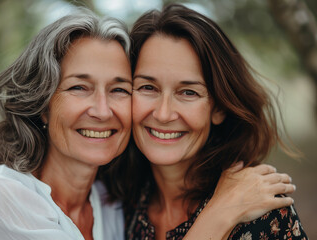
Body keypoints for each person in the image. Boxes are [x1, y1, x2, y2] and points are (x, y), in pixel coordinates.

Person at [0, 6, 298, 240]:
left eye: (119, 89)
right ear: (42, 103)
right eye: (79, 87)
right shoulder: (1, 196)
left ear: (219, 107)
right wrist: (220, 214)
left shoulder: (113, 200)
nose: (103, 111)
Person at [100, 3, 308, 240]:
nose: (163, 114)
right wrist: (217, 216)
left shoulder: (260, 210)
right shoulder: (117, 202)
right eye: (148, 87)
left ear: (218, 108)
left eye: (188, 92)